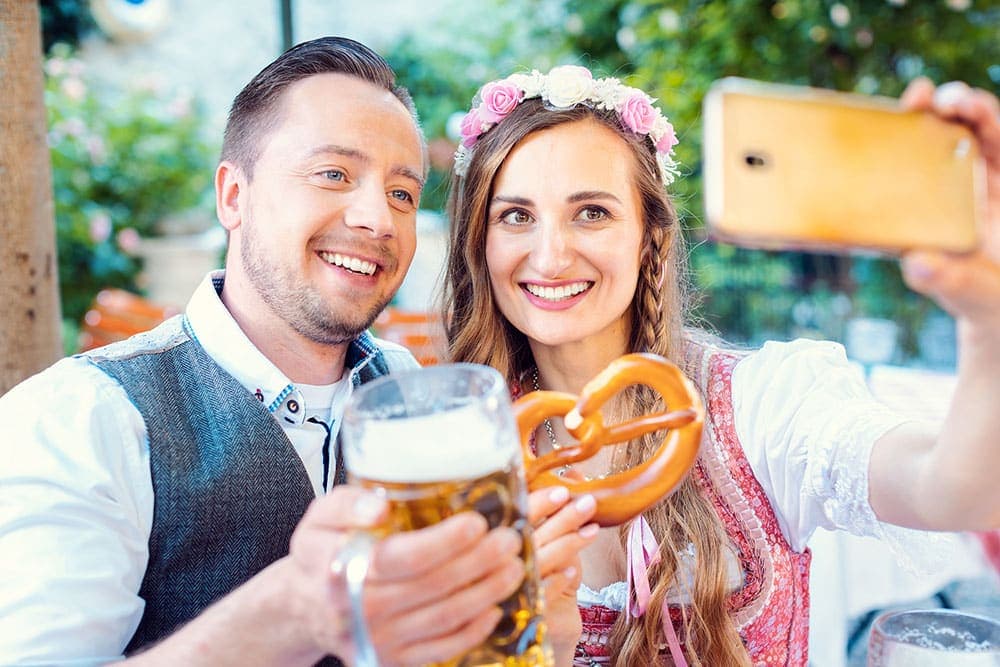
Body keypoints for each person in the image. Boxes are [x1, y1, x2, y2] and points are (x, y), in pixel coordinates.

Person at [0, 38, 594, 666]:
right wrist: (291, 614)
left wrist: (538, 636)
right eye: (334, 174)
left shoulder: (408, 391)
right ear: (234, 196)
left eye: (402, 192)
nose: (377, 218)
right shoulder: (79, 417)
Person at [442, 64, 1000, 666]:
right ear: (481, 242)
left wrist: (989, 317)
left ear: (649, 240)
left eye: (592, 213)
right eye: (516, 216)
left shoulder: (766, 406)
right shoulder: (446, 454)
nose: (550, 256)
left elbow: (953, 490)